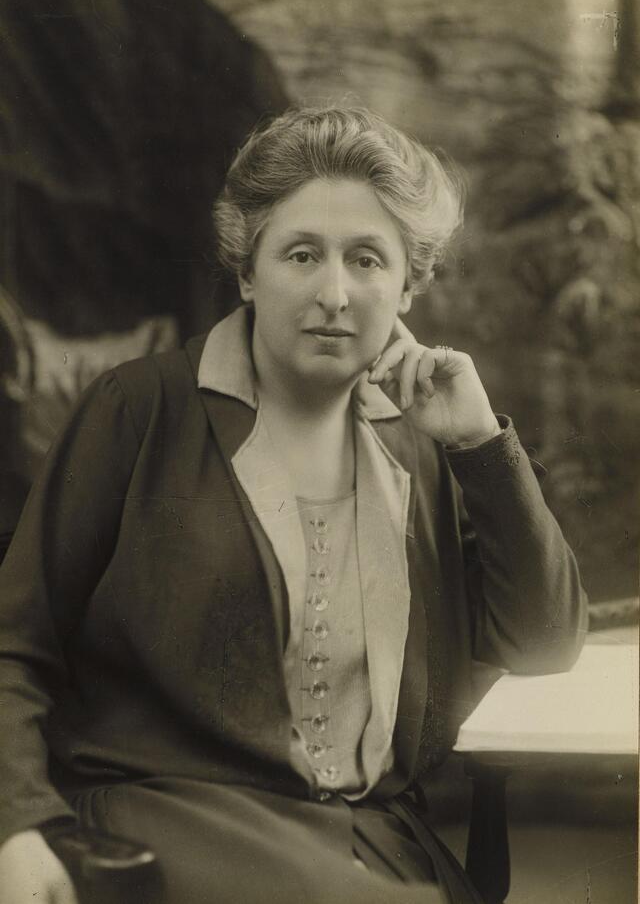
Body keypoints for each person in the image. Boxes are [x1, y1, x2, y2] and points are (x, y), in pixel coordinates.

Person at [0, 106, 587, 904]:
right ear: (248, 272)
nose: (334, 294)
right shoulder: (138, 412)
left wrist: (479, 443)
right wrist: (15, 827)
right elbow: (14, 646)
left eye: (368, 260)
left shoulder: (423, 444)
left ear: (409, 285)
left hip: (367, 837)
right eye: (302, 254)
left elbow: (545, 642)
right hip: (172, 822)